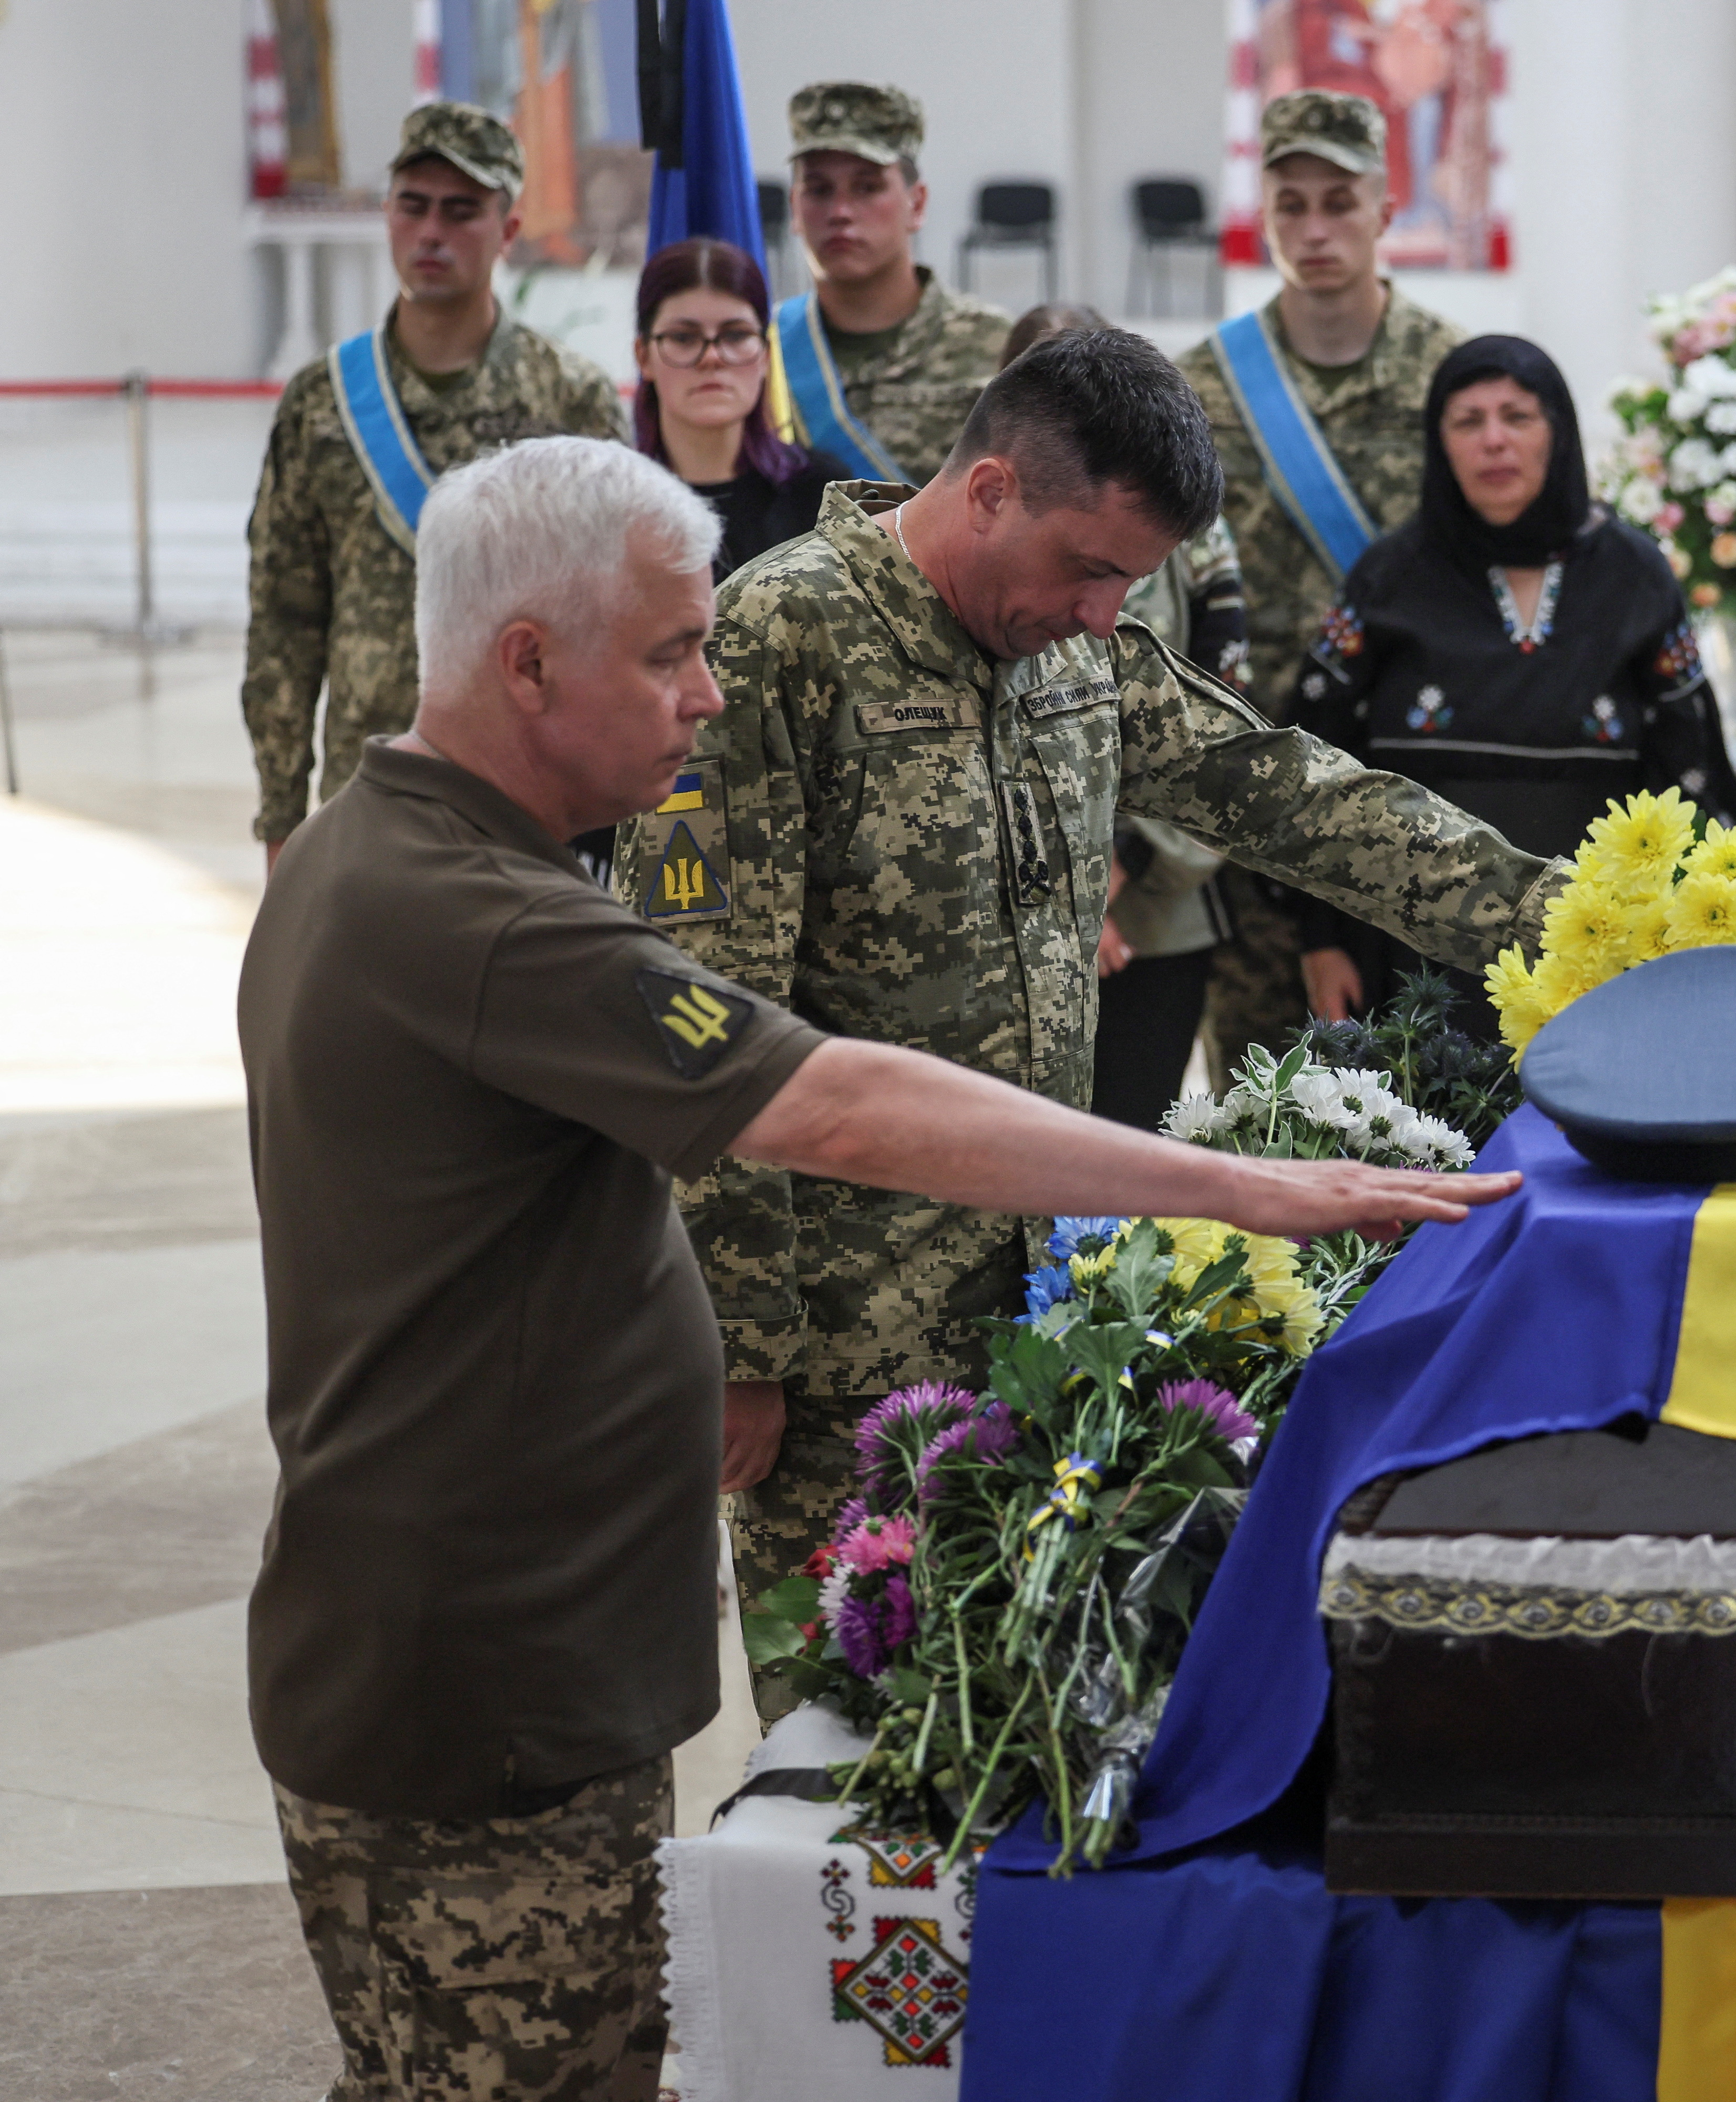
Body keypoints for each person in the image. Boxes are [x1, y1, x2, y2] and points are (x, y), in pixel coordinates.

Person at [242, 435, 1516, 2102]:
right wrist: (1242, 1187)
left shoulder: (383, 849)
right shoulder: (485, 916)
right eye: (669, 652)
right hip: (488, 1689)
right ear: (528, 660)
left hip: (461, 1652)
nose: (704, 696)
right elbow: (834, 1097)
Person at [621, 328, 1567, 1714]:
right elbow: (705, 1035)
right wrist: (735, 1352)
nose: (1105, 609)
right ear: (991, 488)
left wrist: (1587, 921)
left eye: (1133, 580)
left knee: (1011, 1728)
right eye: (1088, 568)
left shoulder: (1074, 652)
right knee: (846, 1745)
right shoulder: (772, 650)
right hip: (837, 1366)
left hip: (1040, 1311)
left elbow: (1296, 798)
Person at [1290, 334, 1736, 1026]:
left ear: (1557, 434)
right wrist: (1318, 942)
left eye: (1517, 416)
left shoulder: (1632, 573)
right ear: (1439, 443)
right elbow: (1310, 764)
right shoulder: (1390, 576)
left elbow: (1692, 761)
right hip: (1406, 958)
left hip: (1595, 953)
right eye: (1467, 421)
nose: (1493, 442)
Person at [241, 101, 624, 872]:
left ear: (508, 230)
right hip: (366, 787)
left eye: (461, 211)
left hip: (524, 796)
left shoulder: (569, 401)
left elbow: (605, 618)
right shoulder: (324, 404)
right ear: (386, 214)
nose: (432, 233)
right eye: (413, 206)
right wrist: (281, 814)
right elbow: (285, 622)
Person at [1177, 89, 1464, 1069]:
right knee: (1267, 1093)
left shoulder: (1455, 379)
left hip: (1415, 784)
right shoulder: (1200, 386)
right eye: (1289, 203)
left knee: (1445, 1085)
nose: (1313, 227)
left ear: (1387, 212)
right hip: (1259, 790)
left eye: (1337, 201)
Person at [1000, 302, 1251, 1127]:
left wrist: (1117, 876)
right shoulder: (977, 530)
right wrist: (1063, 891)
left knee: (1136, 1161)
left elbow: (1224, 733)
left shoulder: (1194, 542)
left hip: (1158, 905)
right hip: (1007, 912)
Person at [772, 82, 1012, 487]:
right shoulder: (760, 351)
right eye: (819, 190)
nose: (841, 212)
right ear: (795, 209)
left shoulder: (998, 349)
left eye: (868, 187)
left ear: (916, 204)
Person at [633, 235, 851, 578]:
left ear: (765, 355)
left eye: (735, 335)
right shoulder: (614, 504)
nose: (712, 357)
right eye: (684, 338)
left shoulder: (821, 495)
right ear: (644, 357)